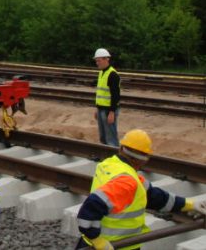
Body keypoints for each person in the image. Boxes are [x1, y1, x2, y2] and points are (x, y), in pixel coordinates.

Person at [76, 129, 206, 249]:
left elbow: (155, 197)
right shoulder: (127, 182)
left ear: (121, 148)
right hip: (116, 245)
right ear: (143, 160)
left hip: (98, 243)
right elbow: (90, 208)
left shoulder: (110, 165)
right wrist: (97, 240)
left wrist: (189, 204)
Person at [93, 48, 120, 146]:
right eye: (96, 61)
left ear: (106, 59)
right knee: (103, 137)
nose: (97, 63)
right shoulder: (101, 72)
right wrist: (97, 108)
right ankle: (104, 153)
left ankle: (114, 153)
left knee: (111, 138)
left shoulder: (113, 74)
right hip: (101, 109)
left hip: (109, 110)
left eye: (99, 61)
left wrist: (112, 112)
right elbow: (100, 93)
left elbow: (115, 95)